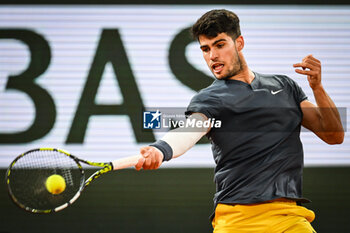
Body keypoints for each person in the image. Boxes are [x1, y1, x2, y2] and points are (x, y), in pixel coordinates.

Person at [134, 9, 344, 232]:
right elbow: (190, 130)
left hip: (290, 218)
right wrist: (161, 149)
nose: (212, 56)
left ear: (239, 43)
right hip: (237, 220)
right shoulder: (209, 99)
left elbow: (333, 135)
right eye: (205, 49)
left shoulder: (284, 86)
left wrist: (317, 88)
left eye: (219, 45)